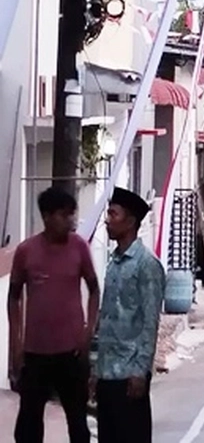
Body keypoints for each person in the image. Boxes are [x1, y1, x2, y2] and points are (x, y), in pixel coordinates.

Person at [8, 187, 99, 443]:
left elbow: (94, 290)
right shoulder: (27, 251)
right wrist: (16, 344)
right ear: (47, 216)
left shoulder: (79, 248)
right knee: (28, 426)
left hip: (72, 352)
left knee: (78, 423)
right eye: (64, 215)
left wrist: (88, 331)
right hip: (35, 353)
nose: (71, 220)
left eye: (72, 214)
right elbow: (13, 297)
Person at [92, 187, 166, 443]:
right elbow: (108, 317)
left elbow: (149, 322)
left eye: (113, 214)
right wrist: (96, 368)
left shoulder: (147, 264)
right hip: (107, 373)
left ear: (131, 221)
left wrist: (140, 371)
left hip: (129, 375)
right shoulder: (114, 262)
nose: (107, 220)